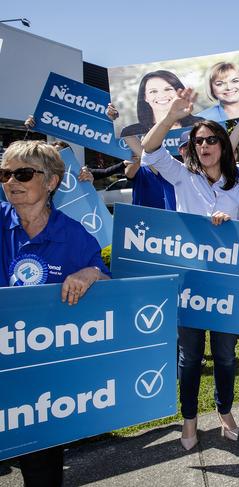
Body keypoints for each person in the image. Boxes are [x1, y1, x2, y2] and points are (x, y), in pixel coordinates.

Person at [140, 88, 239, 449]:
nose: (204, 146)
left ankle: (224, 411)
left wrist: (230, 227)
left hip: (224, 288)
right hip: (188, 284)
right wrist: (172, 115)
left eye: (210, 140)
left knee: (224, 355)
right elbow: (149, 150)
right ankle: (189, 421)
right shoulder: (182, 178)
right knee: (189, 358)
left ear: (223, 146)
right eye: (198, 141)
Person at [1, 140, 110, 486]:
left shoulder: (74, 235)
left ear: (51, 182)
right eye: (4, 174)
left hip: (42, 385)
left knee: (43, 474)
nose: (10, 181)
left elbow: (106, 282)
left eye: (23, 173)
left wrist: (91, 274)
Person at [119, 70, 203, 137]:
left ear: (179, 91)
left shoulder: (200, 125)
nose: (162, 95)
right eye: (153, 91)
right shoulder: (131, 133)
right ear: (145, 97)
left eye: (168, 89)